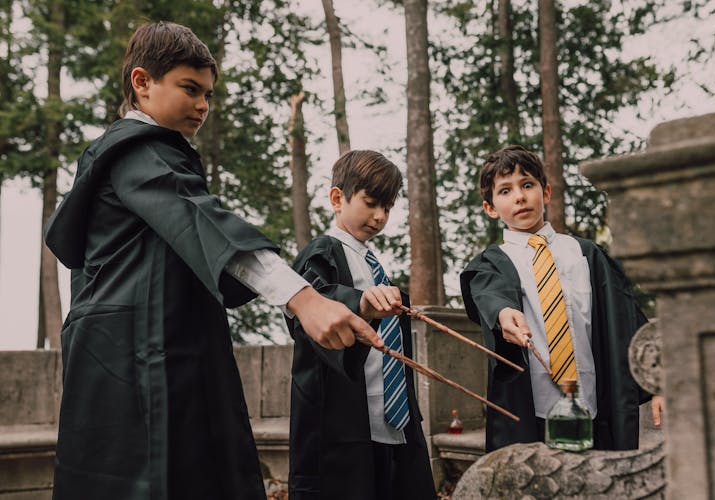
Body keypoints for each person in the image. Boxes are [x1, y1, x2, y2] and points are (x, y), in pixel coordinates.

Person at [43, 22, 382, 500]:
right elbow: (202, 221)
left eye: (207, 93)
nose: (203, 105)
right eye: (189, 88)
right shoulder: (137, 151)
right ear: (142, 82)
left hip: (131, 355)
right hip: (140, 361)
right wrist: (304, 300)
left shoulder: (135, 156)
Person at [460, 145, 664, 452]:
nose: (519, 196)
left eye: (528, 185)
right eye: (505, 190)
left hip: (592, 405)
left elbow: (626, 320)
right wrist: (503, 314)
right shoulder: (493, 262)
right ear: (490, 207)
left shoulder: (587, 255)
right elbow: (489, 293)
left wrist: (655, 382)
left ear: (546, 192)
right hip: (531, 412)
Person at [285, 150, 436, 500]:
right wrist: (360, 304)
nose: (380, 217)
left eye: (388, 207)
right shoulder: (321, 253)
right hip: (343, 422)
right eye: (370, 203)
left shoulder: (374, 264)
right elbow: (312, 304)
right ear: (338, 198)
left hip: (392, 419)